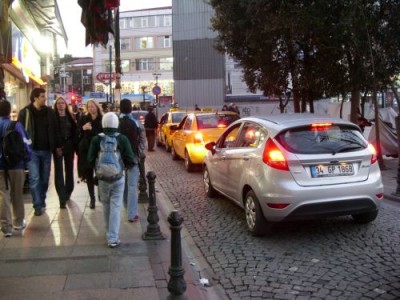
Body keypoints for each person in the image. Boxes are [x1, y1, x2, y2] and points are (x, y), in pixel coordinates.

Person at [87, 112, 135, 248]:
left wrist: (95, 171)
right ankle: (113, 238)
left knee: (106, 206)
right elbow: (130, 158)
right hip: (118, 177)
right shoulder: (122, 139)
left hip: (102, 178)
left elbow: (90, 160)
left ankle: (109, 233)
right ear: (116, 123)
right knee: (116, 206)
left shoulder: (97, 139)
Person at [18, 88, 62, 216]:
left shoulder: (49, 112)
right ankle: (37, 204)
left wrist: (58, 146)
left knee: (44, 179)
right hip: (32, 152)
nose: (45, 98)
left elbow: (56, 129)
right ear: (35, 98)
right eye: (42, 96)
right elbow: (20, 132)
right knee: (34, 178)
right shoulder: (25, 112)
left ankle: (41, 199)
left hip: (47, 150)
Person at [0, 100, 32, 236]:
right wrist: (26, 159)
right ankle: (18, 223)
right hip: (17, 165)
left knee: (3, 195)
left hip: (1, 166)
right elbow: (27, 143)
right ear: (9, 111)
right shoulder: (16, 125)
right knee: (17, 194)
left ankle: (6, 227)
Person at [118, 99, 146, 223]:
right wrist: (139, 154)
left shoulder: (115, 122)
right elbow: (142, 140)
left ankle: (125, 206)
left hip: (118, 158)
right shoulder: (136, 123)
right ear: (131, 109)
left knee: (122, 184)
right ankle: (132, 213)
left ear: (120, 109)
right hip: (133, 158)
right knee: (132, 186)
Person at [53, 97, 78, 208]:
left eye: (63, 103)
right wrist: (55, 146)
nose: (61, 105)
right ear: (56, 105)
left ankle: (68, 192)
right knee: (59, 171)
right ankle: (61, 197)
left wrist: (73, 143)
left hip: (69, 145)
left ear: (66, 105)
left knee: (69, 169)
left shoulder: (70, 117)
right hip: (58, 146)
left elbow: (75, 131)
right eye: (59, 103)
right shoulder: (53, 117)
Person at [77, 99, 103, 209]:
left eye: (93, 106)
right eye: (89, 106)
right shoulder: (84, 118)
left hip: (98, 150)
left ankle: (101, 195)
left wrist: (91, 129)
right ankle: (92, 198)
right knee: (88, 174)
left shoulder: (102, 119)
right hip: (86, 151)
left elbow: (102, 134)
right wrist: (83, 128)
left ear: (97, 107)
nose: (91, 108)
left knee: (100, 173)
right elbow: (77, 132)